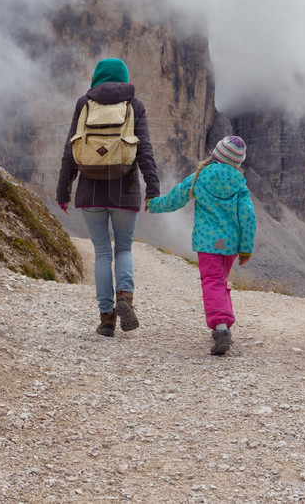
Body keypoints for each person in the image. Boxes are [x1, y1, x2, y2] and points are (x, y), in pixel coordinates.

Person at [56, 57, 160, 337]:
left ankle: (106, 319)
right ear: (124, 79)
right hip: (125, 190)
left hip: (90, 191)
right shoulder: (134, 105)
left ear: (96, 79)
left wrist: (63, 191)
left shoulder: (84, 103)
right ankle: (124, 297)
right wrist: (153, 189)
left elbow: (71, 150)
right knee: (123, 249)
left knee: (102, 253)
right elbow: (145, 150)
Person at [147, 136, 256, 356]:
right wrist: (246, 248)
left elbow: (176, 198)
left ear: (215, 154)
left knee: (212, 282)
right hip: (230, 246)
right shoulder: (239, 183)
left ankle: (221, 327)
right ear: (237, 163)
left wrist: (154, 204)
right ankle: (222, 323)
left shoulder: (200, 176)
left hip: (207, 244)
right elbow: (248, 217)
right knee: (221, 281)